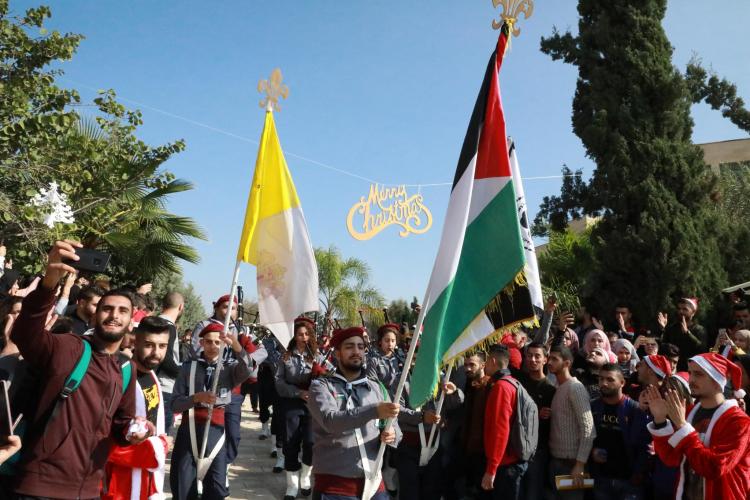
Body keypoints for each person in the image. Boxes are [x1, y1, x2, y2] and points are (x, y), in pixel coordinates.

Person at [9, 240, 143, 499]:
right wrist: (49, 283)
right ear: (95, 316)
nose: (114, 315)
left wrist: (135, 432)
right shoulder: (69, 348)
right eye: (107, 309)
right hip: (38, 487)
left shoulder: (126, 368)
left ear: (131, 320)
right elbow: (27, 335)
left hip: (90, 489)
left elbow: (120, 426)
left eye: (122, 311)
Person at [307, 326, 401, 500]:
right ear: (337, 354)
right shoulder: (321, 386)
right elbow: (331, 421)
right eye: (349, 347)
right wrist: (374, 410)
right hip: (335, 488)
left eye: (360, 347)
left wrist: (392, 434)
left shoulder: (377, 388)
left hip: (374, 487)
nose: (356, 351)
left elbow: (395, 425)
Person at [645, 353, 750, 499]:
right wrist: (660, 420)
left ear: (717, 379)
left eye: (699, 374)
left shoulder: (738, 421)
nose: (691, 380)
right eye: (690, 373)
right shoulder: (689, 412)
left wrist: (683, 427)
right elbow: (672, 458)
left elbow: (715, 467)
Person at [169, 322, 251, 500]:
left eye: (217, 342)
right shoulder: (188, 368)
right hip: (188, 432)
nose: (213, 346)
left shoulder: (229, 368)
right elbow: (174, 404)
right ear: (201, 343)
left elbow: (248, 369)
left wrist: (236, 345)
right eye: (208, 342)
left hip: (216, 431)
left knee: (216, 488)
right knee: (183, 487)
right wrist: (195, 398)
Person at [102, 316, 172, 500]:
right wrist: (160, 446)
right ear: (136, 341)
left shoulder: (152, 377)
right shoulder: (119, 377)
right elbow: (105, 440)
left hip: (147, 483)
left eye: (162, 346)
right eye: (149, 344)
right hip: (119, 486)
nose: (156, 352)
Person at [275, 316, 326, 499]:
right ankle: (292, 485)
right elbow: (279, 382)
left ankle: (305, 477)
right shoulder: (286, 356)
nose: (303, 337)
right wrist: (297, 392)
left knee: (311, 443)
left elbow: (328, 378)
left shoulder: (318, 356)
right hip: (292, 402)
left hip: (312, 405)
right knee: (291, 443)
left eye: (306, 334)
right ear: (294, 336)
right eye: (299, 334)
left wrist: (320, 376)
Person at [589, 364, 650, 500]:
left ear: (622, 382)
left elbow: (644, 444)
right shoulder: (593, 406)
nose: (604, 383)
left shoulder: (634, 409)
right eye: (601, 379)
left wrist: (638, 473)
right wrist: (591, 451)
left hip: (629, 481)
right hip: (601, 479)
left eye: (610, 380)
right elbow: (586, 437)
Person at [547, 345, 595, 500]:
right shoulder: (559, 387)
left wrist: (580, 464)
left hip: (572, 464)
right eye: (549, 358)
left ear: (567, 363)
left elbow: (588, 429)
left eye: (555, 359)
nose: (549, 362)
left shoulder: (575, 388)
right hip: (556, 462)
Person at [481, 345, 529, 499]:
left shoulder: (501, 387)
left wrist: (491, 469)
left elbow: (500, 431)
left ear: (493, 361)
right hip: (510, 461)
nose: (484, 365)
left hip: (505, 465)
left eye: (486, 361)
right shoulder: (512, 382)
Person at [519, 342, 556, 500]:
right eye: (529, 355)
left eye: (537, 356)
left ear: (545, 359)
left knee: (533, 492)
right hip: (517, 446)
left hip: (538, 449)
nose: (532, 359)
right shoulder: (519, 383)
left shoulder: (550, 389)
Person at [459, 352, 491, 498]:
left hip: (482, 453)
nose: (468, 368)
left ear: (483, 365)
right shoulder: (468, 385)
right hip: (467, 449)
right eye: (466, 365)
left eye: (472, 364)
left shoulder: (490, 387)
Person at [156, 291, 184, 431]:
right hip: (164, 386)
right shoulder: (169, 327)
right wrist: (182, 375)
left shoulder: (153, 321)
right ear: (181, 307)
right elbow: (165, 358)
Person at [657, 298, 706, 370]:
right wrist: (663, 329)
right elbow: (663, 347)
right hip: (672, 369)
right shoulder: (672, 328)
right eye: (679, 309)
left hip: (690, 370)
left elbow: (702, 349)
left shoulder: (699, 329)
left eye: (685, 309)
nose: (681, 311)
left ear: (693, 312)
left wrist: (687, 334)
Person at [366, 323, 405, 395]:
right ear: (380, 341)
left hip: (401, 398)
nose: (390, 344)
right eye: (387, 341)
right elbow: (373, 386)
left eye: (393, 341)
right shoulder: (374, 361)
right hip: (383, 399)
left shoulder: (400, 359)